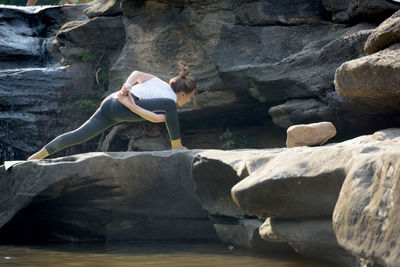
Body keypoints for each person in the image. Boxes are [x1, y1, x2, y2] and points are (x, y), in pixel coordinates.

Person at [27, 64, 197, 160]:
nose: (188, 101)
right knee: (170, 106)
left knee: (78, 135)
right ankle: (177, 146)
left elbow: (136, 73)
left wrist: (128, 86)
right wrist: (131, 102)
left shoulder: (157, 81)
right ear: (183, 93)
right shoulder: (171, 101)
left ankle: (38, 155)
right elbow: (157, 118)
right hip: (123, 105)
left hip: (110, 102)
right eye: (189, 98)